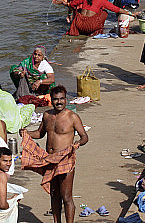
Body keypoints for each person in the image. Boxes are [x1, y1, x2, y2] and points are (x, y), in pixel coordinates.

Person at [20, 85, 88, 223]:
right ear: (51, 100)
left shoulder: (72, 117)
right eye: (56, 99)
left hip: (65, 159)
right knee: (54, 195)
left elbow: (84, 137)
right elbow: (40, 133)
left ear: (66, 99)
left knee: (66, 197)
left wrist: (77, 144)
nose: (59, 102)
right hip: (49, 160)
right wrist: (27, 133)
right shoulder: (47, 115)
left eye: (62, 99)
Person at [53, 0, 135, 36]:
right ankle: (96, 31)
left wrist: (62, 2)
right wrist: (130, 13)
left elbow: (72, 4)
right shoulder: (101, 0)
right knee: (104, 12)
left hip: (79, 25)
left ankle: (81, 29)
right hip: (90, 27)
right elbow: (116, 9)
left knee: (79, 10)